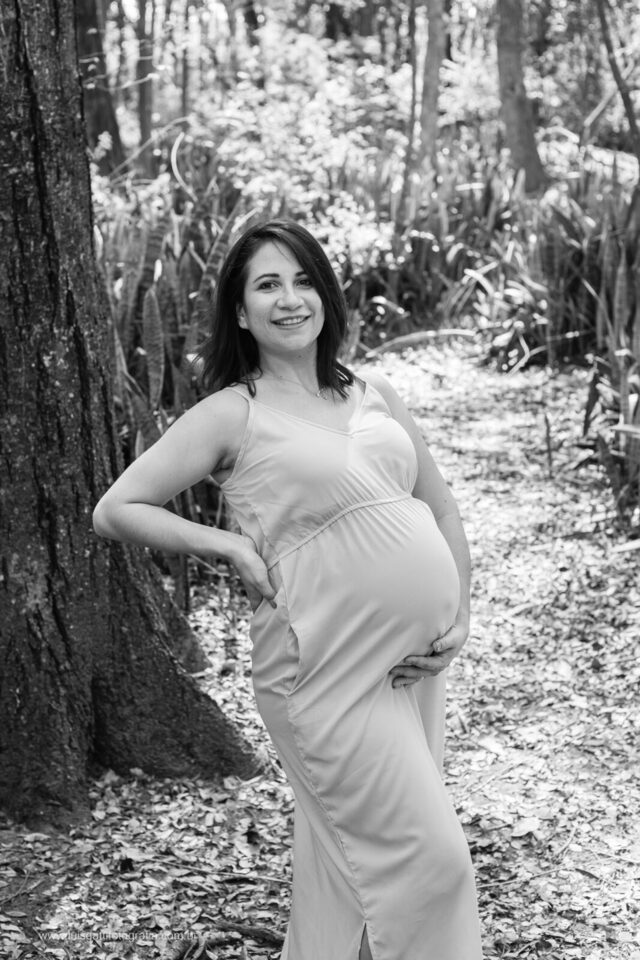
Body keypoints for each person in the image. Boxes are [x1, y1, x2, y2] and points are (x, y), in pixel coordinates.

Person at [93, 219, 483, 960]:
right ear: (241, 313)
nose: (290, 298)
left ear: (326, 295)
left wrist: (458, 616)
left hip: (411, 667)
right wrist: (227, 544)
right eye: (267, 285)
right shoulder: (232, 412)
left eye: (304, 280)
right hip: (322, 667)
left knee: (348, 876)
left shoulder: (374, 391)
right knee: (435, 865)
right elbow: (116, 508)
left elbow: (440, 508)